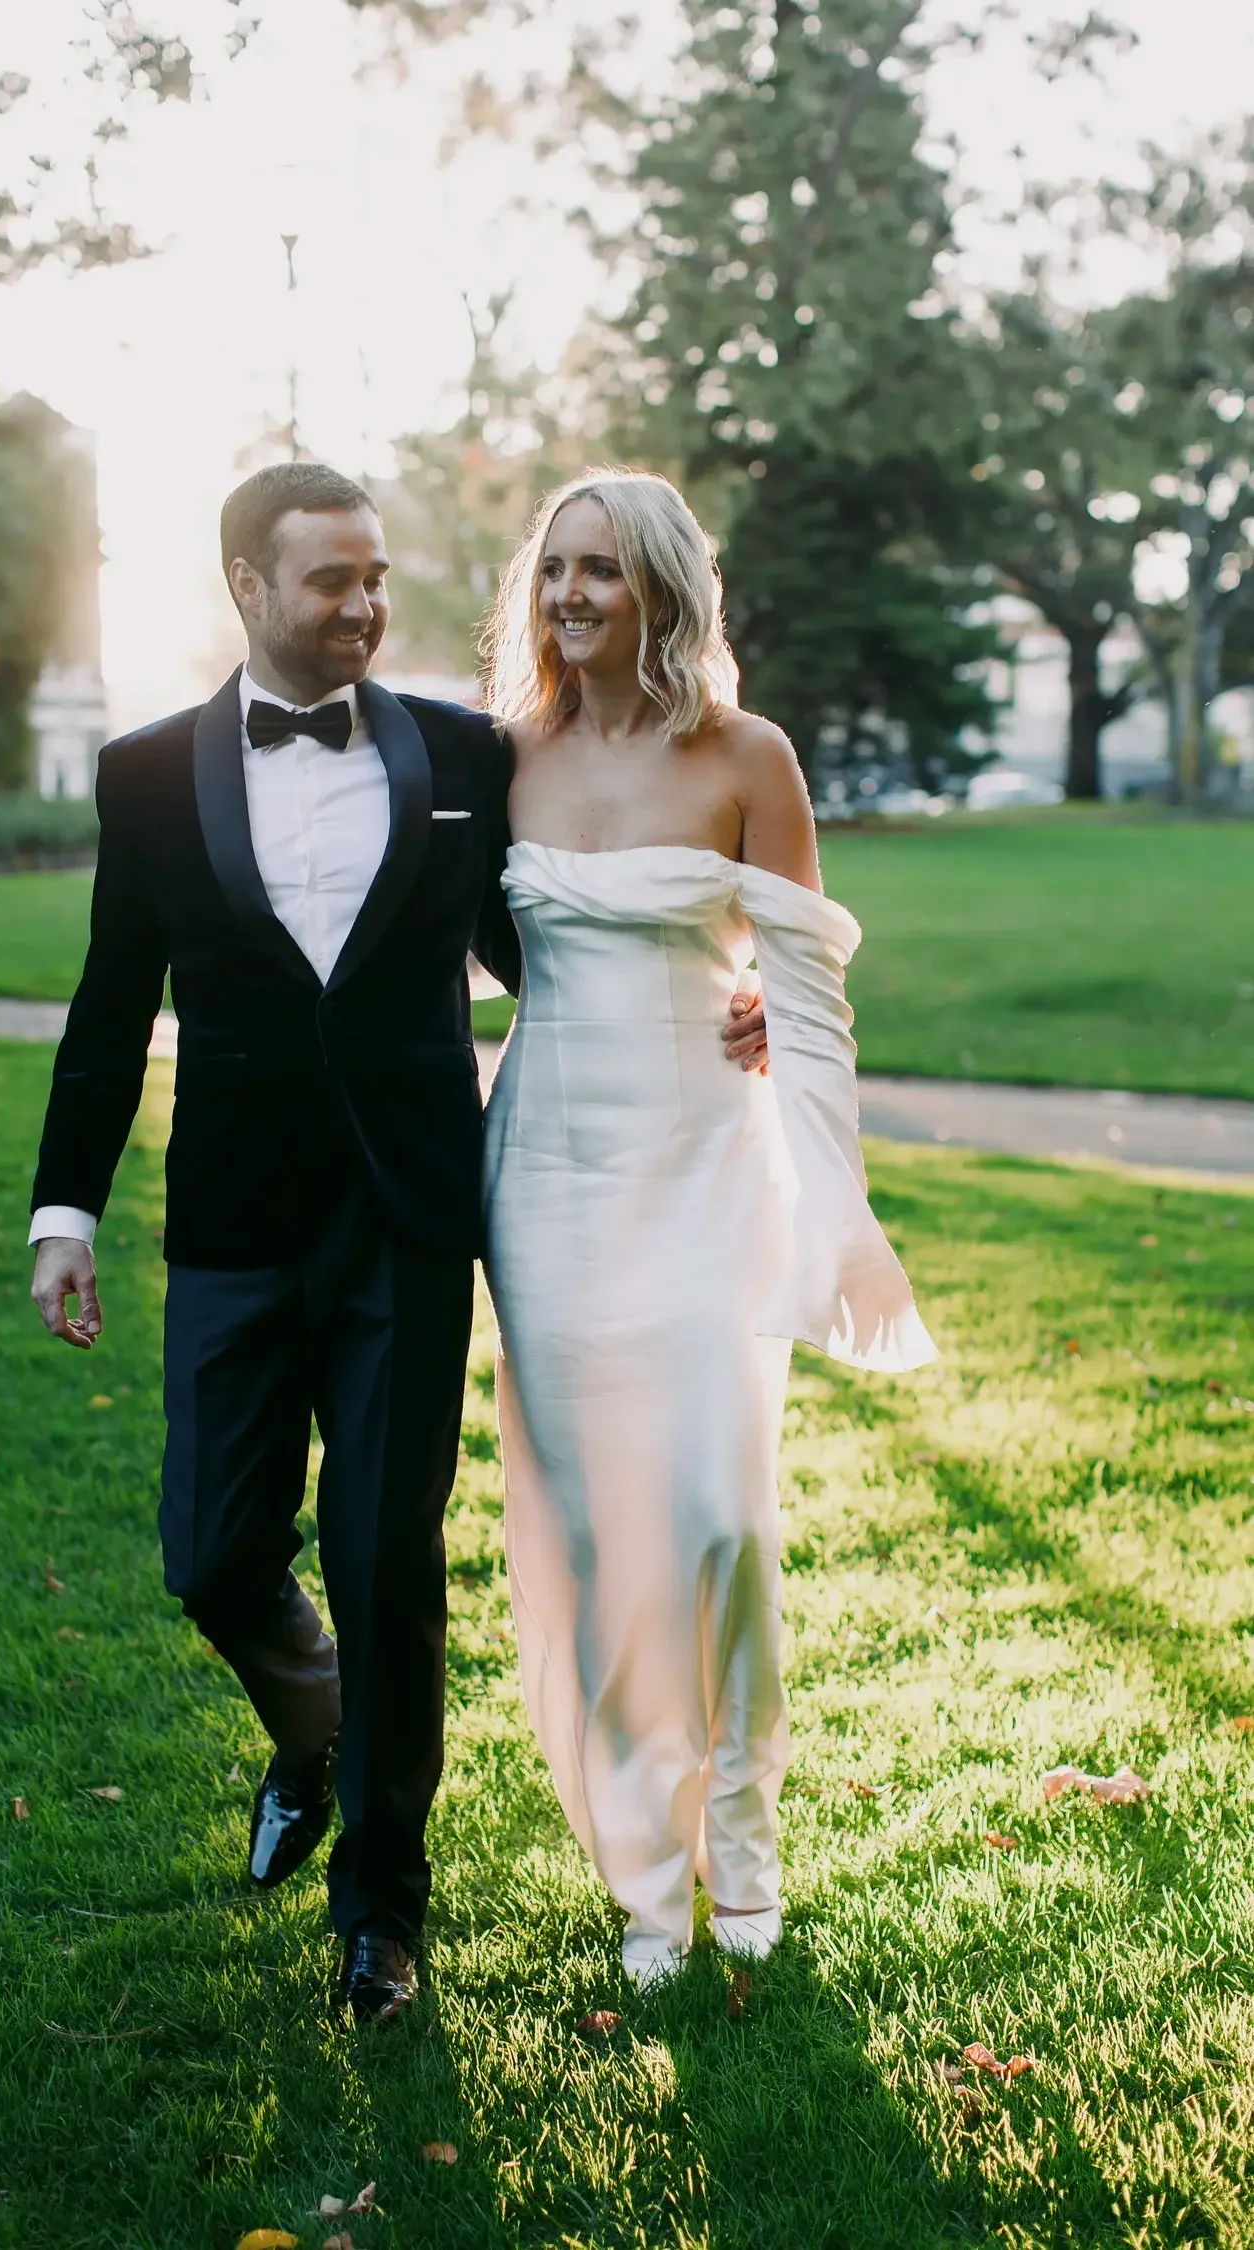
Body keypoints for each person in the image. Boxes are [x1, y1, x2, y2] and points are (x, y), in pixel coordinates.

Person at [26, 462, 771, 2023]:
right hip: (231, 1222)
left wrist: (716, 995)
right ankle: (315, 1727)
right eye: (330, 584)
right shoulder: (148, 775)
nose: (364, 607)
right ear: (245, 587)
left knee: (386, 1557)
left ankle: (383, 1915)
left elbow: (546, 934)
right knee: (212, 1549)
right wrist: (65, 1209)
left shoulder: (458, 751)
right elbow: (108, 1010)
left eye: (377, 580)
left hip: (410, 1226)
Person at [481, 469, 936, 1988]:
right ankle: (647, 1876)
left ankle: (743, 1842)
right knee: (604, 1534)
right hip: (542, 1178)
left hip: (709, 1178)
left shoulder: (748, 755)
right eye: (555, 571)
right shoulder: (509, 757)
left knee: (722, 1521)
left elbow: (806, 1003)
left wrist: (842, 1208)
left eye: (601, 571)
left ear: (664, 587)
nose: (571, 598)